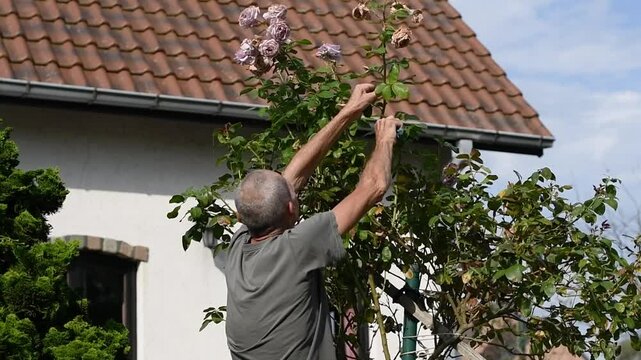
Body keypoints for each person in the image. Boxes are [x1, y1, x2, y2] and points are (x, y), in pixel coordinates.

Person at [224, 83, 401, 359]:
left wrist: (348, 112)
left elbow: (290, 179)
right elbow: (375, 187)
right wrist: (386, 138)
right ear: (292, 208)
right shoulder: (297, 247)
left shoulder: (237, 247)